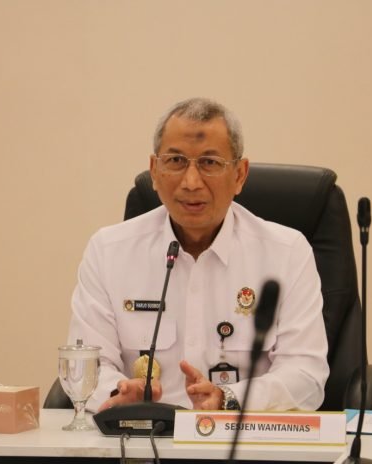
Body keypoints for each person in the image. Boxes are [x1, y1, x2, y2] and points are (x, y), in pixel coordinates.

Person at [67, 98, 329, 413]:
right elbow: (86, 364)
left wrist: (228, 399)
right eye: (176, 161)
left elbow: (306, 375)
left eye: (210, 163)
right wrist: (119, 392)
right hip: (140, 436)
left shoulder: (286, 253)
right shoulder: (109, 251)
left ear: (240, 175)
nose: (191, 182)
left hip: (242, 436)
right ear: (154, 171)